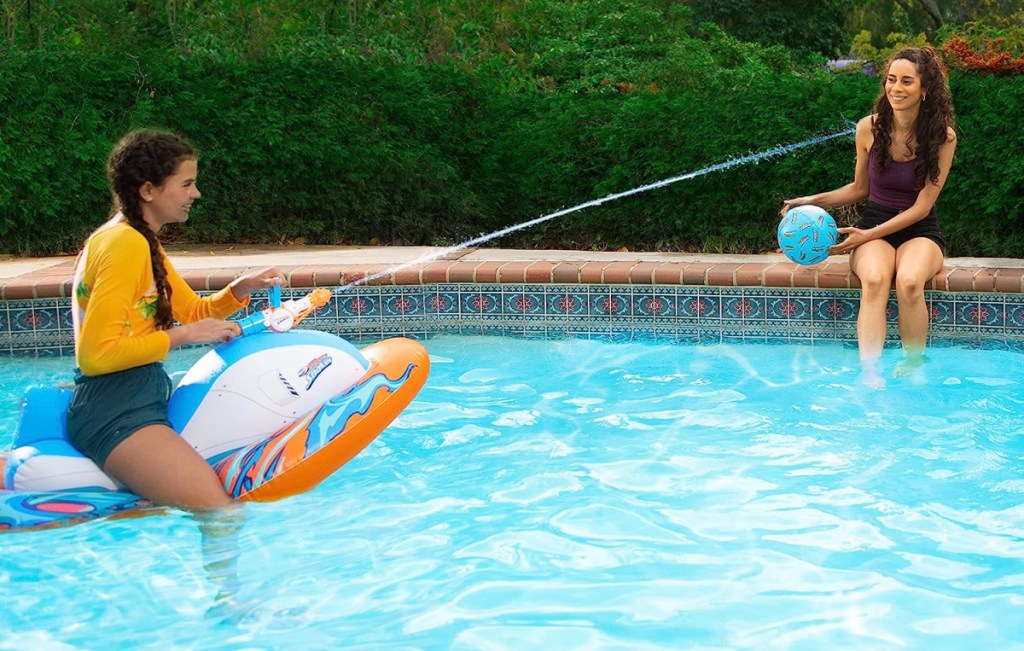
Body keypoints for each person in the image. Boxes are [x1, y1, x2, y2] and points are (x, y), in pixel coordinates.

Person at [66, 128, 285, 609]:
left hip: (137, 398)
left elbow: (193, 313)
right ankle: (233, 609)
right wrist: (181, 340)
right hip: (115, 412)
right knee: (222, 512)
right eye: (186, 183)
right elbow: (96, 356)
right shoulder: (123, 245)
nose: (196, 193)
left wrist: (239, 290)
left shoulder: (138, 239)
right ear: (149, 189)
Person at [781, 46, 956, 387]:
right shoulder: (868, 129)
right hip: (872, 225)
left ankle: (914, 362)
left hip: (921, 230)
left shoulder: (942, 137)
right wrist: (809, 200)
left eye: (907, 81)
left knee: (908, 281)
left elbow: (921, 207)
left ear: (925, 89)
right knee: (875, 280)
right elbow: (860, 188)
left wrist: (869, 234)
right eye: (891, 80)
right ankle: (870, 371)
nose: (896, 88)